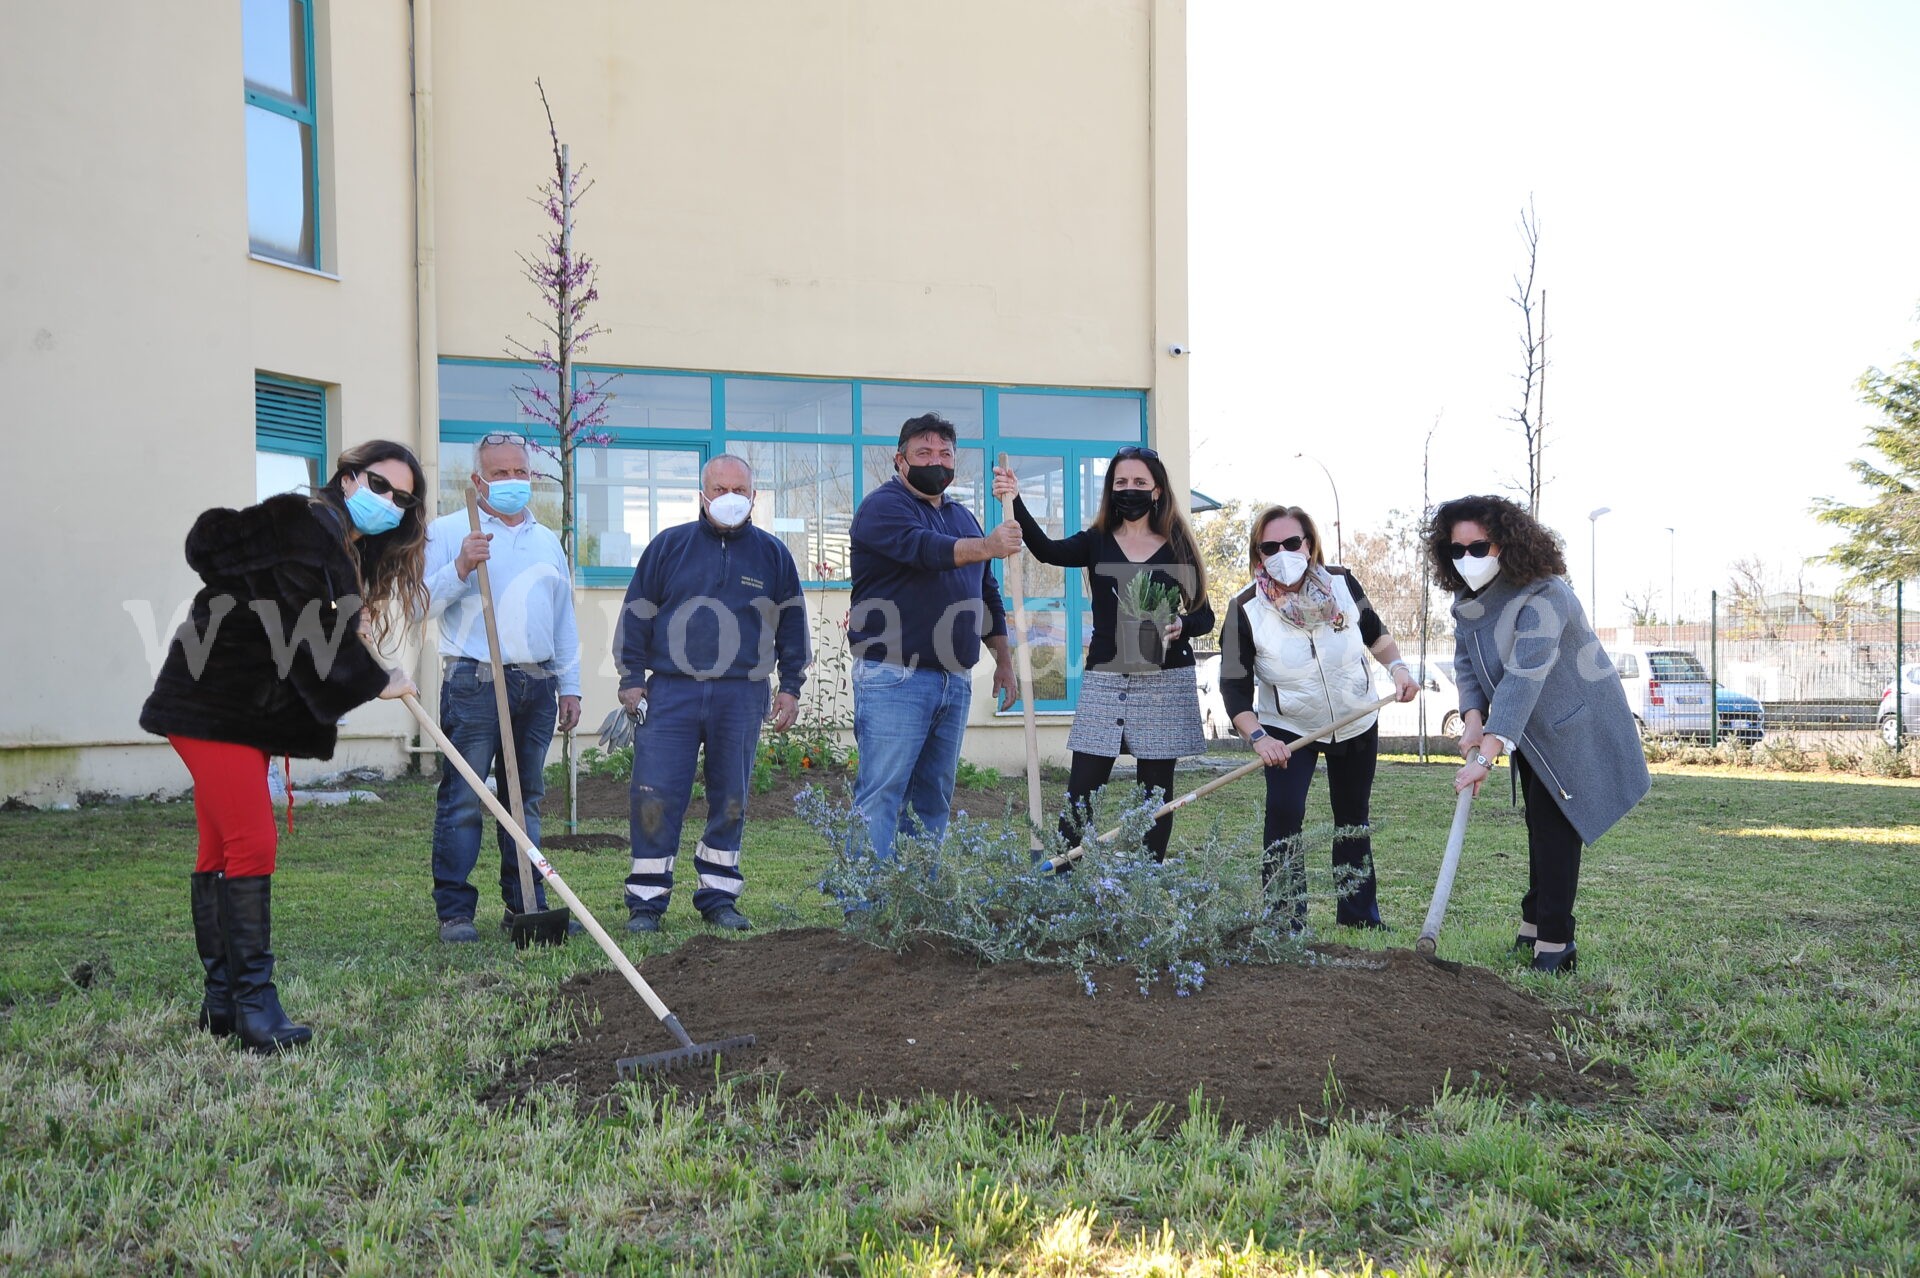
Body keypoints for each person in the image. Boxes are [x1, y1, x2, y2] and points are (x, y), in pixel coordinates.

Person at [139, 440, 426, 1052]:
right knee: (251, 840)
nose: (390, 503)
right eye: (380, 486)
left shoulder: (322, 535)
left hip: (229, 705)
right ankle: (255, 1008)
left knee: (220, 843)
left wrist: (350, 618)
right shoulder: (305, 524)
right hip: (215, 702)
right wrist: (377, 679)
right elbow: (304, 623)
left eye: (401, 499)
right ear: (348, 479)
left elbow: (288, 608)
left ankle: (222, 1004)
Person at [1428, 494, 1649, 973]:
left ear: (1507, 543)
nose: (1467, 559)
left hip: (1575, 725)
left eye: (1478, 547)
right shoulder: (1468, 601)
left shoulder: (1544, 593)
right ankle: (1532, 928)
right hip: (1528, 728)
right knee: (1538, 825)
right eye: (1456, 550)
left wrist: (1487, 754)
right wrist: (1471, 719)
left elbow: (1527, 672)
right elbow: (1467, 664)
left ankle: (1556, 944)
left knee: (1555, 829)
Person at [613, 454, 810, 932]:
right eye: (719, 490)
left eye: (738, 490)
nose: (729, 499)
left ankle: (719, 896)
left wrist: (791, 686)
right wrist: (631, 678)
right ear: (702, 495)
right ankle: (646, 901)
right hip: (671, 693)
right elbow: (637, 613)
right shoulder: (668, 547)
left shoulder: (772, 555)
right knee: (654, 794)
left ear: (754, 497)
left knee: (731, 797)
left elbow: (791, 623)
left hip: (741, 694)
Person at [991, 445, 1213, 861]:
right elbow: (1047, 550)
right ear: (1111, 490)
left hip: (1163, 681)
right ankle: (1061, 881)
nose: (1129, 490)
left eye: (1139, 483)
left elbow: (1205, 615)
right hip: (1107, 677)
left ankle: (1145, 878)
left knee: (1155, 796)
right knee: (1082, 791)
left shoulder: (1177, 543)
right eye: (1121, 483)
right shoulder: (1097, 541)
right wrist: (1014, 500)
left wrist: (1182, 627)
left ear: (1158, 491)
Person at [1218, 504, 1420, 932]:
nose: (1283, 553)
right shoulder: (1244, 609)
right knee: (1285, 814)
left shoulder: (1343, 583)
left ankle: (1359, 917)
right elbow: (1233, 688)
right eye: (1270, 547)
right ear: (1258, 555)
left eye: (1292, 543)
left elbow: (1375, 632)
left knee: (1352, 817)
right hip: (1288, 730)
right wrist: (1258, 737)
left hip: (1356, 718)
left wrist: (1398, 668)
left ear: (1309, 545)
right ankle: (1284, 920)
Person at [422, 432, 582, 943]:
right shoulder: (449, 532)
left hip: (536, 683)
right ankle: (455, 912)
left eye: (520, 472)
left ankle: (525, 902)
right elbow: (418, 603)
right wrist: (461, 565)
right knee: (465, 797)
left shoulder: (546, 539)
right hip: (474, 680)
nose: (513, 482)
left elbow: (563, 619)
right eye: (500, 473)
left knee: (525, 797)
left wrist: (570, 685)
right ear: (477, 480)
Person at [847, 414, 1020, 859]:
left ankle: (919, 900)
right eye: (924, 453)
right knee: (882, 793)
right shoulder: (883, 508)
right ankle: (864, 905)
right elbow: (925, 550)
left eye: (945, 454)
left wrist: (1003, 659)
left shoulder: (962, 516)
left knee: (933, 796)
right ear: (899, 459)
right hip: (894, 676)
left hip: (953, 679)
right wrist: (988, 546)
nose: (935, 461)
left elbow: (986, 593)